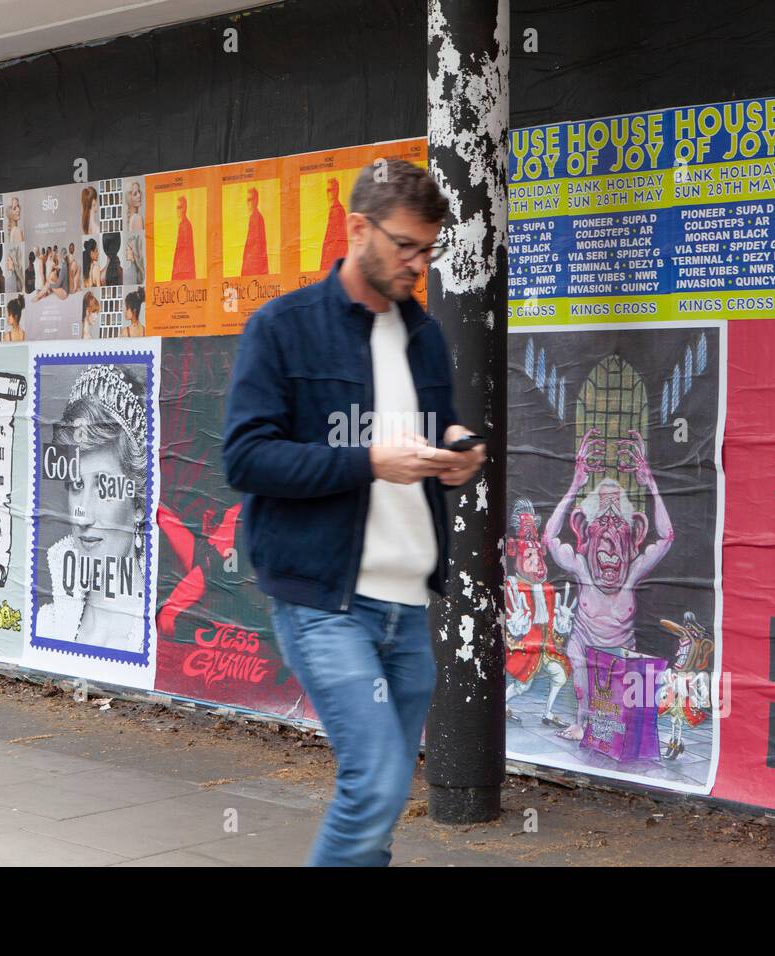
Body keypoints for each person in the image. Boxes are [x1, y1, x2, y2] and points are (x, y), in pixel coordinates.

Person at [223, 159, 484, 867]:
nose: (418, 264)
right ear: (358, 229)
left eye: (428, 250)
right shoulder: (283, 328)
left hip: (408, 605)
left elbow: (436, 428)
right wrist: (366, 461)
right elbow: (245, 459)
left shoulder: (424, 336)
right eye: (405, 246)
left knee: (384, 799)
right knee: (374, 785)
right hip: (326, 603)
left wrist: (457, 451)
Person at [36, 364, 149, 652]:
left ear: (138, 503)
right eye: (76, 485)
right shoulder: (47, 624)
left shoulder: (157, 637)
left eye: (104, 487)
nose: (83, 515)